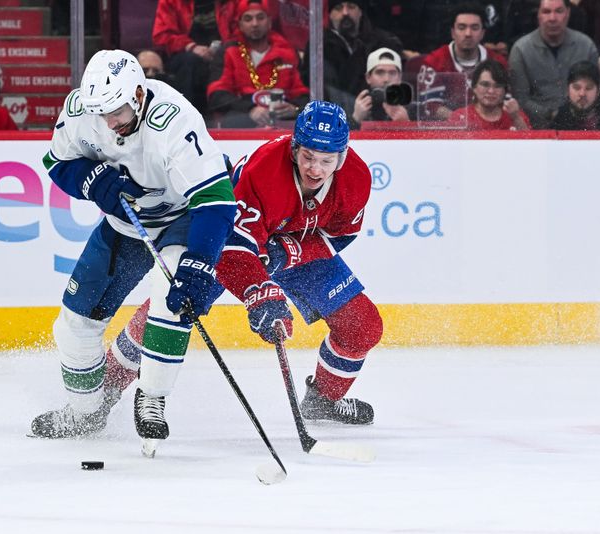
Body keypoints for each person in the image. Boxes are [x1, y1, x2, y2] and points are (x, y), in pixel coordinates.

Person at [101, 101, 383, 426]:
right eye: (307, 157)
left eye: (326, 160)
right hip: (229, 243)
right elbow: (233, 246)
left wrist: (289, 251)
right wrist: (258, 292)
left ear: (342, 157)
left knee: (363, 326)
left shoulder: (356, 178)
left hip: (296, 245)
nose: (315, 169)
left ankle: (323, 401)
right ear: (294, 149)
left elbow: (340, 235)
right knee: (175, 304)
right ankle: (105, 388)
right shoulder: (262, 170)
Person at [31, 50, 237, 448]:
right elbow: (58, 163)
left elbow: (216, 201)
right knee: (73, 326)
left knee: (170, 301)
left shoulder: (175, 121)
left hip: (182, 217)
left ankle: (153, 397)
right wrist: (90, 180)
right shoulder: (81, 109)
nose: (109, 123)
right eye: (101, 113)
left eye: (118, 111)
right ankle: (85, 414)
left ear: (140, 94)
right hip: (125, 223)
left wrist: (200, 263)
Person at [207, 0, 308, 128]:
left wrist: (295, 109)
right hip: (241, 121)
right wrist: (250, 109)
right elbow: (217, 95)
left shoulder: (287, 52)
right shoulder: (228, 51)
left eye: (260, 18)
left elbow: (304, 93)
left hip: (283, 122)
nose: (255, 24)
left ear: (270, 22)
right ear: (240, 25)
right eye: (248, 19)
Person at [509, 0, 598, 128]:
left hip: (582, 128)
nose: (552, 18)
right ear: (538, 14)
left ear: (568, 13)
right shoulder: (521, 50)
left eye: (559, 11)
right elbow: (520, 99)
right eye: (546, 12)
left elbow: (597, 92)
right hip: (537, 130)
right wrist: (552, 115)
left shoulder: (586, 46)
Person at [302, 0, 404, 111]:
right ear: (330, 15)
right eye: (338, 8)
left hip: (377, 116)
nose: (345, 12)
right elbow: (322, 91)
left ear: (360, 12)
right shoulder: (319, 46)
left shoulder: (384, 42)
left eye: (351, 6)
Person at [419, 2, 509, 120]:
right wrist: (464, 122)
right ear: (453, 32)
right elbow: (431, 106)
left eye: (475, 28)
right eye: (462, 27)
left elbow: (506, 103)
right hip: (448, 132)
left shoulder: (498, 62)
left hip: (488, 130)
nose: (468, 34)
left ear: (483, 33)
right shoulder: (433, 62)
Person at [152, 0, 239, 113]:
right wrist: (191, 47)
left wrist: (224, 48)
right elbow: (161, 35)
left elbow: (241, 29)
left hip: (224, 53)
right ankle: (186, 116)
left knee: (232, 59)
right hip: (185, 55)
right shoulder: (170, 2)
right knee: (191, 62)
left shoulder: (231, 2)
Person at [450, 58, 531, 129]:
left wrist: (516, 118)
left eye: (498, 86)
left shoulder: (515, 114)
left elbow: (531, 145)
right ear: (474, 87)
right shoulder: (460, 117)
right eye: (485, 85)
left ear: (505, 91)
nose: (491, 91)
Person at [350, 47, 413, 129]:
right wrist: (356, 119)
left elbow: (426, 140)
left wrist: (406, 124)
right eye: (380, 72)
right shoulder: (354, 107)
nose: (386, 79)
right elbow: (337, 140)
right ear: (368, 77)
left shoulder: (413, 110)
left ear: (400, 78)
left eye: (392, 73)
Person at [551, 59, 600, 128]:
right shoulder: (559, 121)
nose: (582, 94)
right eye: (576, 88)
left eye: (589, 88)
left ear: (598, 92)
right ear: (567, 90)